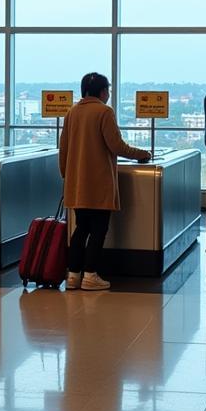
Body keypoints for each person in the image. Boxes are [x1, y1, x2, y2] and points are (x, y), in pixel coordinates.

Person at [59, 72, 151, 292]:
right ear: (103, 92)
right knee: (99, 229)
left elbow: (64, 150)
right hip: (98, 182)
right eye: (107, 90)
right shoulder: (104, 111)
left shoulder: (72, 112)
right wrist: (142, 154)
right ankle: (91, 275)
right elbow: (116, 145)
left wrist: (67, 176)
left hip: (77, 183)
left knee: (81, 228)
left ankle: (73, 275)